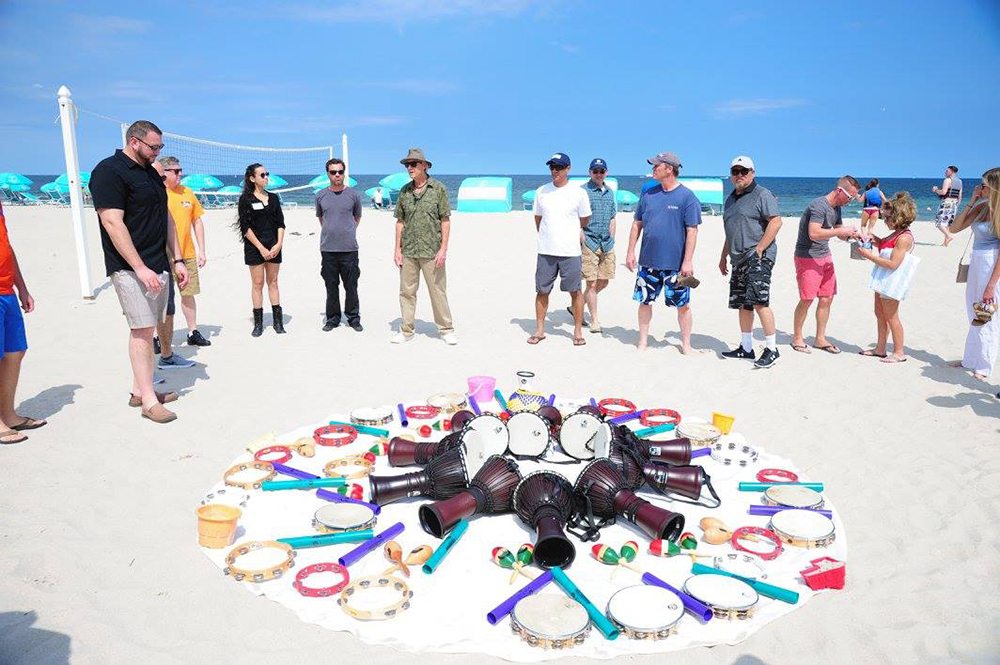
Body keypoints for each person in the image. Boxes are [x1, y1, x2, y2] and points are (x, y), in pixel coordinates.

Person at [91, 120, 188, 424]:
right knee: (142, 330)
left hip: (158, 262)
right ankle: (148, 400)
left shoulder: (151, 172)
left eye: (160, 147)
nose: (158, 152)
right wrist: (139, 267)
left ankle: (138, 389)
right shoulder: (109, 171)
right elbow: (112, 223)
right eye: (154, 146)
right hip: (130, 267)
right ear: (134, 142)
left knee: (152, 325)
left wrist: (178, 260)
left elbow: (167, 218)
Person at [625, 152, 701, 353]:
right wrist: (630, 252)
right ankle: (643, 341)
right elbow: (636, 224)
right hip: (648, 262)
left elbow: (692, 231)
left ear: (669, 169)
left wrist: (688, 261)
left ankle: (686, 344)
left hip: (676, 265)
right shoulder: (648, 194)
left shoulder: (687, 197)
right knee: (644, 301)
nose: (653, 168)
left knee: (682, 305)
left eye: (656, 165)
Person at [719, 156, 783, 369]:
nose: (739, 175)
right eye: (735, 171)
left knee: (758, 301)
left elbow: (776, 221)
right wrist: (723, 255)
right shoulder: (730, 199)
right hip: (738, 258)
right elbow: (731, 230)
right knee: (743, 303)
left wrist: (760, 249)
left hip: (759, 257)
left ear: (752, 173)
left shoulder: (762, 194)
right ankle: (746, 348)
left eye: (743, 171)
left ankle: (772, 349)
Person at [392, 148, 456, 345]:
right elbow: (400, 222)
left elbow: (445, 220)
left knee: (437, 291)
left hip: (432, 251)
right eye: (406, 165)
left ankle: (446, 329)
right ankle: (407, 330)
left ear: (424, 166)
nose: (409, 168)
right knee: (407, 292)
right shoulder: (404, 191)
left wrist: (443, 249)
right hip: (409, 250)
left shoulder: (438, 189)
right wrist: (397, 249)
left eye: (413, 164)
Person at [790, 176, 861, 354]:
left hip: (825, 256)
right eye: (850, 197)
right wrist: (840, 231)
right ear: (839, 191)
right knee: (807, 299)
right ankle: (797, 338)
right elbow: (814, 233)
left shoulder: (836, 208)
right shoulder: (818, 206)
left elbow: (839, 234)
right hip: (807, 257)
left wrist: (852, 235)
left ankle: (820, 338)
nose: (851, 201)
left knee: (827, 297)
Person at [529, 152, 592, 346]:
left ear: (568, 169)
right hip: (546, 251)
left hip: (570, 251)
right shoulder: (542, 191)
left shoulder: (578, 193)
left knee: (575, 291)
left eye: (559, 167)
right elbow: (538, 218)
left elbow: (585, 219)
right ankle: (540, 330)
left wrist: (569, 232)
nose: (554, 171)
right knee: (542, 291)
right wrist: (548, 235)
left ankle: (578, 331)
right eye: (552, 167)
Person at [0, 200, 46, 444]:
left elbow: (6, 245)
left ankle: (8, 413)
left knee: (15, 352)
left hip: (6, 290)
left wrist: (22, 287)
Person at [948, 167, 1000, 380]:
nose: (981, 188)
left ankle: (985, 364)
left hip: (992, 263)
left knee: (987, 313)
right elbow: (954, 228)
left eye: (985, 185)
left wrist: (991, 284)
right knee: (973, 310)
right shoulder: (981, 206)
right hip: (977, 260)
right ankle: (970, 359)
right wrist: (971, 200)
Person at [152, 158, 203, 371]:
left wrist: (202, 250)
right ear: (164, 172)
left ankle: (192, 332)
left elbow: (197, 221)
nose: (180, 174)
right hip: (161, 254)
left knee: (187, 293)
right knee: (160, 299)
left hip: (186, 253)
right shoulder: (156, 192)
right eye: (176, 171)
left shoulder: (187, 193)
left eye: (181, 170)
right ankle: (157, 337)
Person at [856, 191, 918, 363]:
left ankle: (899, 352)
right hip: (882, 279)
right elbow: (883, 244)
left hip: (892, 281)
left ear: (899, 217)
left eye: (888, 218)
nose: (886, 221)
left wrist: (868, 256)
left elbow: (893, 264)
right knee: (880, 314)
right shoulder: (896, 233)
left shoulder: (904, 237)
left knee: (892, 317)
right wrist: (870, 238)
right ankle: (880, 348)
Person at [236, 163, 285, 337]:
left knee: (273, 282)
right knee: (257, 284)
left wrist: (278, 244)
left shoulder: (273, 198)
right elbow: (245, 227)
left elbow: (281, 223)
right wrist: (261, 248)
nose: (266, 177)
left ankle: (278, 322)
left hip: (274, 246)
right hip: (255, 247)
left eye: (267, 174)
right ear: (252, 178)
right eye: (262, 175)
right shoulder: (246, 199)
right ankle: (258, 324)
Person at [315, 157, 363, 332]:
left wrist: (347, 231)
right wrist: (332, 231)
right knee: (331, 286)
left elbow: (357, 218)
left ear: (344, 173)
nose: (337, 175)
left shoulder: (353, 195)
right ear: (328, 174)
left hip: (349, 249)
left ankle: (353, 318)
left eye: (340, 172)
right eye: (333, 172)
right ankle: (333, 319)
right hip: (328, 249)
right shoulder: (320, 195)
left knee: (351, 286)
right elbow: (322, 219)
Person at [580, 158, 616, 335]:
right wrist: (580, 235)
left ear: (606, 172)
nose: (599, 174)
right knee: (592, 283)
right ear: (590, 172)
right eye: (595, 171)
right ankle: (594, 320)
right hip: (589, 241)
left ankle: (577, 304)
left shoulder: (609, 192)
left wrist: (613, 237)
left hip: (607, 243)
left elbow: (612, 216)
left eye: (602, 171)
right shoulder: (582, 191)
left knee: (604, 281)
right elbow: (576, 216)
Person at [932, 165, 963, 246]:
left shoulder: (947, 180)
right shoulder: (960, 181)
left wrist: (935, 190)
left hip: (947, 203)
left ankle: (949, 236)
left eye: (947, 171)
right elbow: (960, 196)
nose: (945, 172)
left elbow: (943, 192)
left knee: (939, 223)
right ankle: (945, 243)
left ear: (952, 172)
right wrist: (957, 205)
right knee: (948, 224)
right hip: (954, 204)